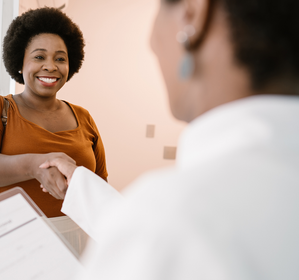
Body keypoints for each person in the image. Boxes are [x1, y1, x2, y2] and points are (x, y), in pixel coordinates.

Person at [39, 0, 299, 279]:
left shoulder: (168, 223)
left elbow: (167, 231)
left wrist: (146, 221)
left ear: (193, 12)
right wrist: (80, 185)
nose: (153, 42)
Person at [0, 7, 107, 255]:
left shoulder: (84, 118)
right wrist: (36, 166)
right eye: (39, 57)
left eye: (60, 58)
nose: (50, 66)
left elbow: (99, 183)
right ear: (20, 62)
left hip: (77, 243)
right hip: (10, 241)